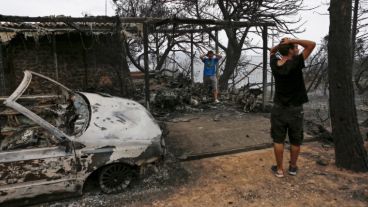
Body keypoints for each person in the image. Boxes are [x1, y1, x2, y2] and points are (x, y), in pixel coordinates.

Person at [269, 38, 316, 178]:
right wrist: (291, 40)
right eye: (295, 47)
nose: (297, 49)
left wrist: (282, 45)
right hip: (295, 109)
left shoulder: (274, 64)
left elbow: (272, 51)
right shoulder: (296, 63)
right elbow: (312, 44)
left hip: (278, 108)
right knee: (295, 140)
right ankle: (293, 168)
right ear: (289, 50)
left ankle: (279, 170)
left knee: (278, 139)